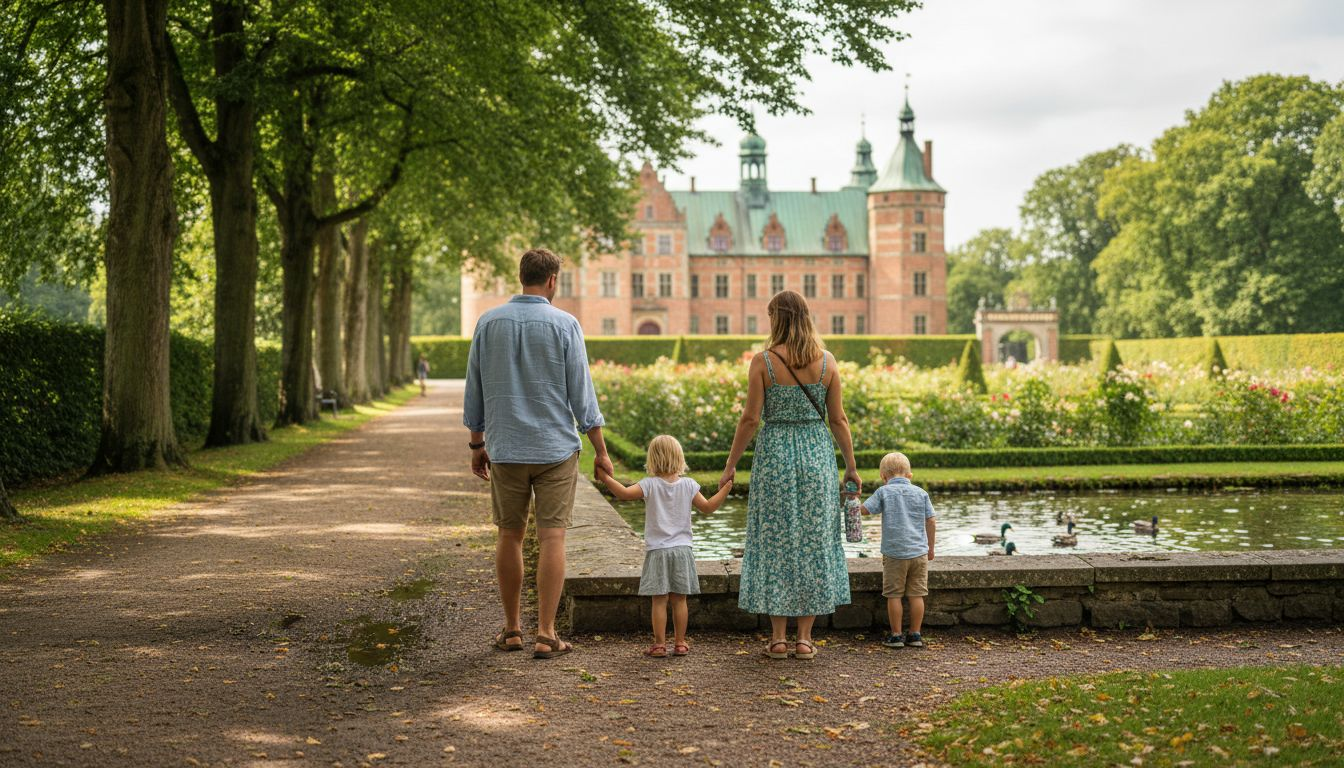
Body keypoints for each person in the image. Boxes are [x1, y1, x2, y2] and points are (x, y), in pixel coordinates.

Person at [463, 248, 613, 659]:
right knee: (552, 537)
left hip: (506, 447)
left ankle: (512, 630)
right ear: (552, 281)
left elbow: (474, 388)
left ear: (521, 277)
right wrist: (600, 450)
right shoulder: (566, 324)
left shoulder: (488, 322)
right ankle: (546, 633)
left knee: (509, 535)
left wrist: (477, 444)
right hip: (554, 449)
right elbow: (582, 394)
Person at [719, 290, 860, 660]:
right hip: (816, 457)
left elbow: (750, 419)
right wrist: (851, 465)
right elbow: (838, 419)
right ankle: (805, 639)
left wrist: (731, 464)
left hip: (775, 458)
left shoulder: (763, 362)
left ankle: (778, 638)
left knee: (775, 542)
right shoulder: (827, 362)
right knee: (814, 542)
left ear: (776, 319)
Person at [596, 435, 732, 657]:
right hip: (682, 550)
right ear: (679, 458)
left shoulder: (650, 484)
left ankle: (659, 645)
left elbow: (623, 493)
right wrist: (725, 489)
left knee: (659, 600)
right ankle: (680, 643)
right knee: (680, 600)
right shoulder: (688, 485)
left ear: (652, 459)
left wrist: (604, 477)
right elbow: (708, 508)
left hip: (658, 550)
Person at [861, 452, 936, 648]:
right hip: (919, 554)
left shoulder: (883, 492)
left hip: (894, 555)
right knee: (917, 595)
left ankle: (896, 636)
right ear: (909, 475)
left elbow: (864, 510)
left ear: (883, 476)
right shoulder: (921, 493)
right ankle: (915, 635)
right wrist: (930, 548)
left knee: (894, 595)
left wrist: (852, 500)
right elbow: (931, 521)